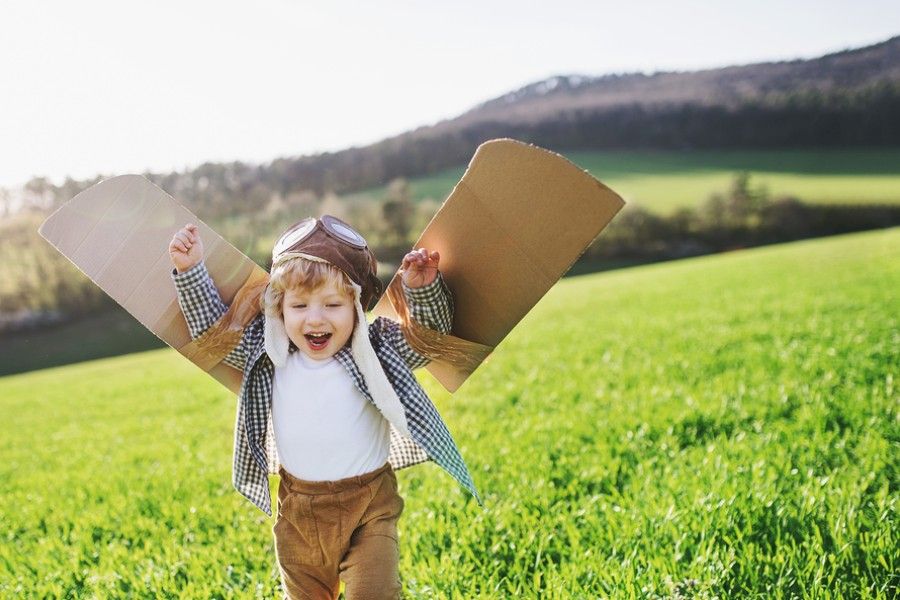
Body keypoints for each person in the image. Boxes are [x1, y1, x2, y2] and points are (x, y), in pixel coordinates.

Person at [168, 216, 480, 599]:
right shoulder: (268, 352)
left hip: (369, 505)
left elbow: (428, 342)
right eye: (299, 305)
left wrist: (423, 290)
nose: (315, 319)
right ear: (279, 309)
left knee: (376, 593)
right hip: (298, 511)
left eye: (332, 304)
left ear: (356, 307)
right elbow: (213, 333)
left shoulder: (377, 349)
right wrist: (190, 270)